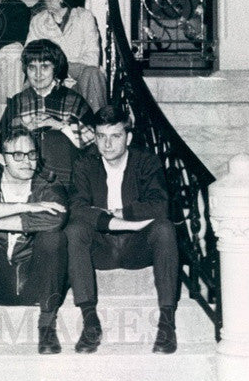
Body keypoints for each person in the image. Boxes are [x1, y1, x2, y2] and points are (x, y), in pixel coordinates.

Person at [66, 104, 179, 354]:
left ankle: (167, 323)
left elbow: (159, 206)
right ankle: (90, 321)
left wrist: (121, 213)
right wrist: (110, 222)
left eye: (115, 136)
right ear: (94, 137)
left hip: (138, 246)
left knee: (164, 229)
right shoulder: (85, 164)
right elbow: (77, 208)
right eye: (101, 137)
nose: (107, 145)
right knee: (74, 230)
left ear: (128, 137)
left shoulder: (146, 162)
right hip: (102, 247)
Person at [0, 127, 68, 355]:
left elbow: (54, 219)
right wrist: (24, 207)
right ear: (1, 159)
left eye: (31, 154)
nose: (27, 161)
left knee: (53, 238)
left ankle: (47, 326)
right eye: (17, 155)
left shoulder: (49, 184)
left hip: (36, 282)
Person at [0, 39, 96, 191]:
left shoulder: (73, 100)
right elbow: (2, 141)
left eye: (44, 67)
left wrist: (59, 125)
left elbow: (93, 142)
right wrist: (24, 128)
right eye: (32, 67)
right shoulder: (18, 101)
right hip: (26, 177)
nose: (37, 74)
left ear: (55, 68)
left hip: (67, 176)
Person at [27, 0, 108, 112]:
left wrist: (63, 67)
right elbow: (31, 55)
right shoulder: (38, 20)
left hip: (81, 79)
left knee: (93, 73)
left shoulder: (84, 17)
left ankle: (98, 125)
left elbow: (92, 57)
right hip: (49, 78)